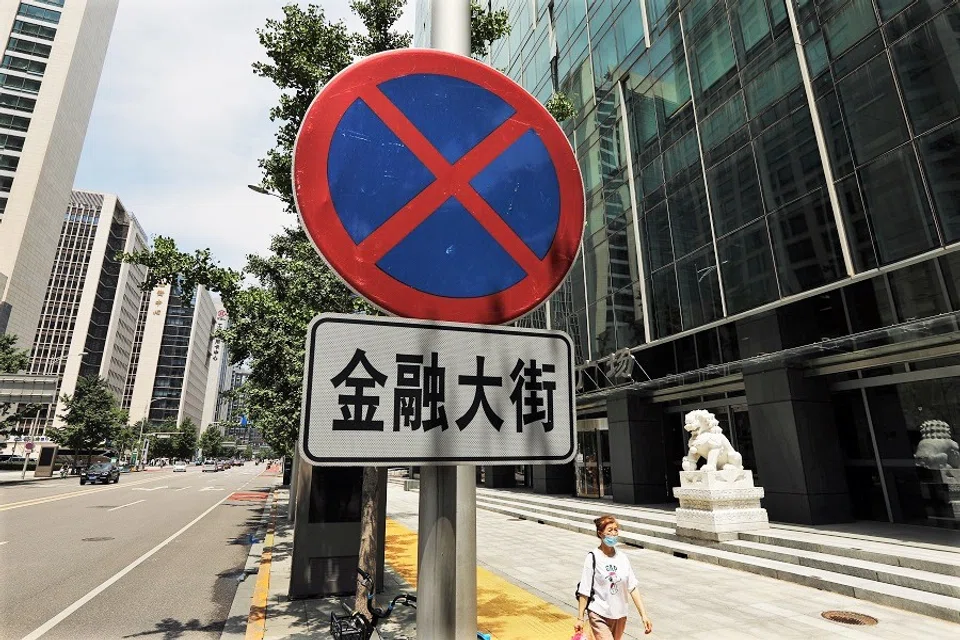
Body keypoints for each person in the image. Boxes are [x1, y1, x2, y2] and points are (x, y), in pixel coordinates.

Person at [575, 515, 652, 639]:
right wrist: (580, 618)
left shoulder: (622, 558)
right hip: (598, 613)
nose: (614, 533)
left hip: (620, 615)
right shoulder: (593, 557)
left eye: (616, 530)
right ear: (600, 534)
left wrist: (643, 615)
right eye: (609, 530)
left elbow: (632, 587)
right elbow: (584, 589)